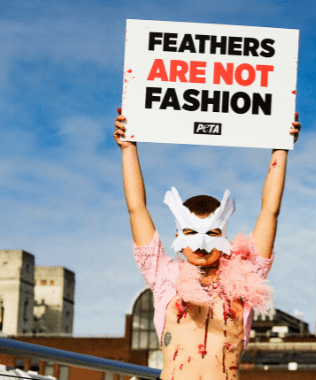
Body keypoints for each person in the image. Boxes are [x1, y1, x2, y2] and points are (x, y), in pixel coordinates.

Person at [114, 108, 299, 380]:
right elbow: (137, 209)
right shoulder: (164, 275)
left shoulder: (247, 277)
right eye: (190, 232)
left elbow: (270, 211)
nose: (200, 244)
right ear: (178, 236)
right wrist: (128, 148)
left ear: (223, 234)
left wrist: (280, 148)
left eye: (211, 234)